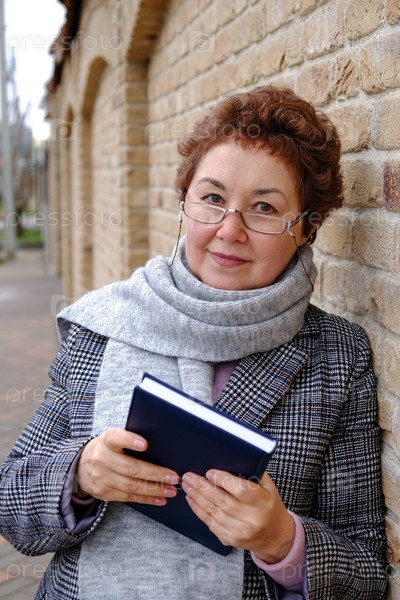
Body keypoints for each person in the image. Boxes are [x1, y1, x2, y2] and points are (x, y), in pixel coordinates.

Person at [0, 86, 387, 600]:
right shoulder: (102, 324)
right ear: (185, 204)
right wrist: (80, 474)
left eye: (264, 207)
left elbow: (366, 572)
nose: (230, 230)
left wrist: (281, 540)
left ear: (306, 229)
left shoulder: (337, 356)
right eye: (213, 199)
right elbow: (11, 502)